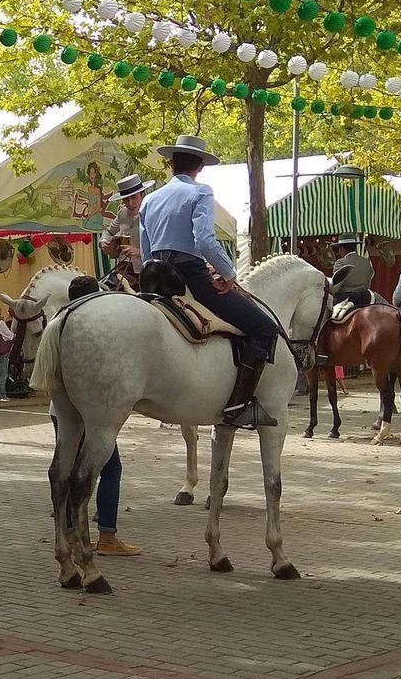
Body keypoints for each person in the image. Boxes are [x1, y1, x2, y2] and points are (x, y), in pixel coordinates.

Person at [138, 134, 280, 429]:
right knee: (264, 327)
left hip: (154, 280)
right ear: (200, 166)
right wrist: (228, 273)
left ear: (171, 164)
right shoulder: (200, 192)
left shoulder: (149, 199)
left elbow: (145, 252)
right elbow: (205, 241)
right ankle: (239, 404)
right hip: (191, 277)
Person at [55, 275, 138, 555]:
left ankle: (65, 533)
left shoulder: (62, 319)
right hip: (89, 413)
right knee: (109, 469)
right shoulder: (92, 330)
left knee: (65, 468)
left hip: (59, 411)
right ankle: (106, 535)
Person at [101, 173, 154, 291]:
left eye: (134, 197)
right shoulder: (122, 213)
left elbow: (162, 244)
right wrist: (104, 242)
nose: (130, 203)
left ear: (142, 195)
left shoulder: (152, 214)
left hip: (147, 270)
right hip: (124, 268)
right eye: (126, 199)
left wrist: (139, 252)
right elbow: (108, 232)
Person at [329, 235, 375, 311]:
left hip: (344, 299)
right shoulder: (366, 261)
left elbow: (336, 286)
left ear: (342, 248)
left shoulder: (340, 262)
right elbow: (368, 282)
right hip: (364, 299)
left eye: (339, 248)